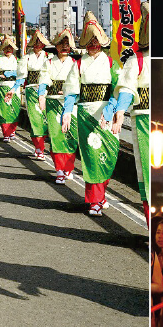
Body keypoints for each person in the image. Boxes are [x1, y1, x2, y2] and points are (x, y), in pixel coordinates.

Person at [62, 12, 119, 216]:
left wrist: (111, 108)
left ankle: (101, 195)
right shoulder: (78, 64)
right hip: (86, 115)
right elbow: (71, 91)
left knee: (109, 156)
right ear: (86, 43)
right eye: (90, 41)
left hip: (107, 114)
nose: (94, 44)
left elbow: (118, 89)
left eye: (97, 41)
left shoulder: (111, 63)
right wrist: (67, 112)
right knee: (93, 158)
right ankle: (94, 201)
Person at [107, 1, 150, 225]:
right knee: (147, 174)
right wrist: (120, 112)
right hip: (143, 120)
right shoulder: (137, 60)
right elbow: (127, 88)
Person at [39, 28, 78, 182]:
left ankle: (68, 167)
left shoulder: (75, 63)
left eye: (67, 44)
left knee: (71, 136)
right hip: (54, 102)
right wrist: (42, 94)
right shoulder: (48, 63)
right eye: (61, 44)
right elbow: (43, 80)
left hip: (71, 104)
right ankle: (59, 169)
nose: (64, 47)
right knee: (56, 136)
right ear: (56, 46)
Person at [21, 30, 50, 160]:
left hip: (44, 92)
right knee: (35, 120)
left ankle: (41, 146)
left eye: (40, 43)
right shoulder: (26, 57)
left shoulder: (48, 57)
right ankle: (38, 147)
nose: (38, 45)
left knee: (44, 120)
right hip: (31, 90)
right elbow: (22, 76)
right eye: (36, 43)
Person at [0, 36, 23, 142]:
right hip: (2, 86)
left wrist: (10, 73)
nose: (8, 50)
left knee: (14, 110)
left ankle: (12, 131)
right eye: (6, 47)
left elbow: (21, 74)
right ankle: (6, 133)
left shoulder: (17, 60)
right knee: (4, 110)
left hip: (14, 87)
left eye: (10, 47)